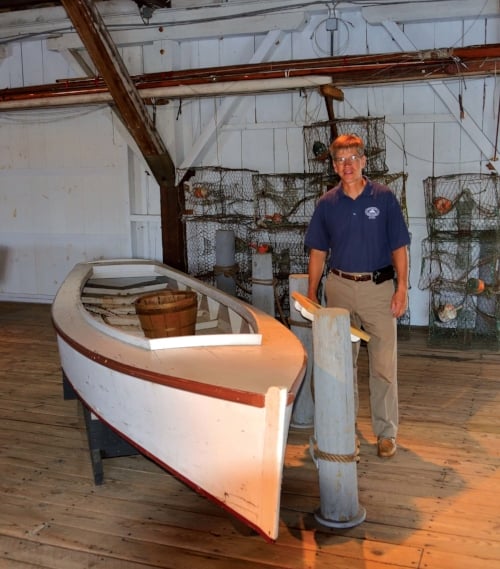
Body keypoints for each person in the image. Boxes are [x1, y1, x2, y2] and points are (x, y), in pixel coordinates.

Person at [305, 133, 410, 458]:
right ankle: (343, 431)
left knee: (382, 365)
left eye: (353, 158)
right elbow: (318, 252)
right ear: (334, 166)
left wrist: (402, 287)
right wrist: (311, 294)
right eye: (341, 160)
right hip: (339, 289)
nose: (347, 165)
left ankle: (385, 432)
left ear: (364, 161)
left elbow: (399, 247)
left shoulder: (384, 198)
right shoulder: (326, 204)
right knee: (339, 367)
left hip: (379, 291)